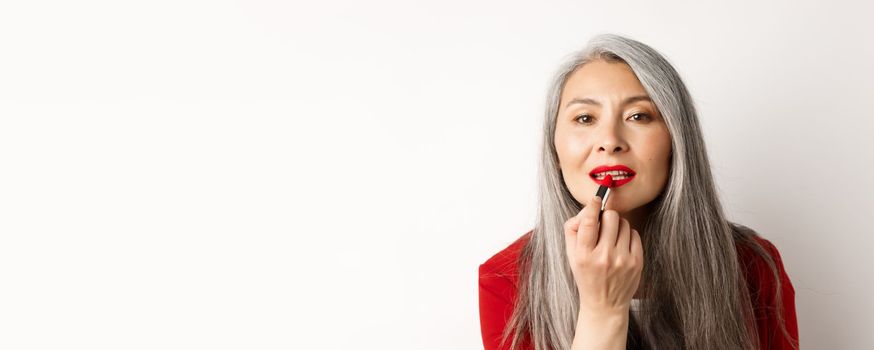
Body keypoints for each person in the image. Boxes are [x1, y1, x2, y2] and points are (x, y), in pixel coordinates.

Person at [478, 34, 798, 350]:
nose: (610, 139)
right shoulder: (506, 280)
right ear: (554, 148)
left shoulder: (753, 265)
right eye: (585, 118)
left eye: (638, 116)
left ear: (676, 142)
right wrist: (602, 311)